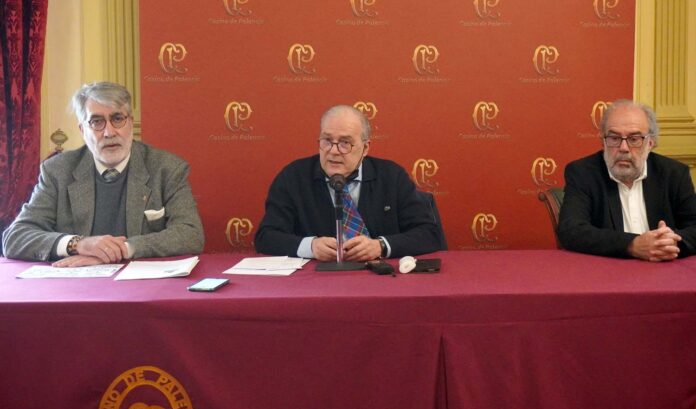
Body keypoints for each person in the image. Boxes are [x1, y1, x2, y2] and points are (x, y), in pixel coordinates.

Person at [2, 81, 204, 267]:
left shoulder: (166, 168)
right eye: (96, 122)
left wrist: (122, 249)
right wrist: (78, 244)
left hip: (142, 288)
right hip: (78, 288)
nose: (109, 132)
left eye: (117, 119)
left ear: (130, 123)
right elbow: (14, 238)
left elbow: (190, 234)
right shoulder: (58, 171)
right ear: (82, 130)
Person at [254, 105, 442, 261]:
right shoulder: (293, 177)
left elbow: (428, 234)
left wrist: (381, 246)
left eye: (345, 143)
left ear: (365, 147)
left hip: (380, 283)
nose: (334, 151)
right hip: (317, 285)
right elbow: (266, 237)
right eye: (327, 141)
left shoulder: (392, 176)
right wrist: (310, 246)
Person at [557, 99, 696, 261]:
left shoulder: (674, 174)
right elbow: (571, 230)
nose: (623, 148)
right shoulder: (583, 173)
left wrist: (668, 243)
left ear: (650, 143)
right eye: (614, 138)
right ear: (603, 141)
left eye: (634, 139)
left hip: (664, 271)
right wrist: (632, 244)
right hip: (607, 273)